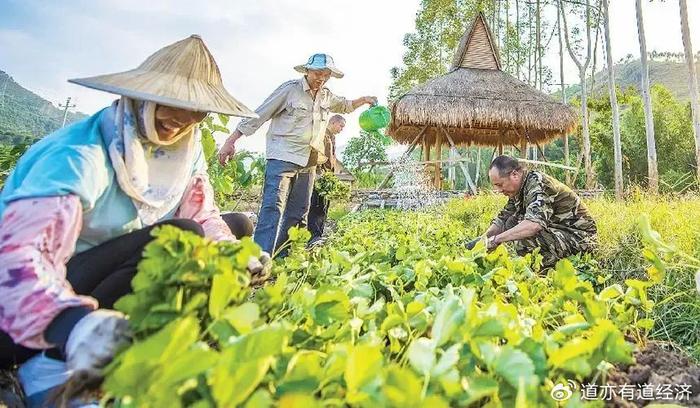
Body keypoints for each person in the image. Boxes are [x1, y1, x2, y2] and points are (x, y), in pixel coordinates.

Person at [0, 35, 268, 406]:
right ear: (142, 97)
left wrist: (234, 255)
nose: (183, 119)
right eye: (171, 104)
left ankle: (124, 339)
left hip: (90, 274)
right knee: (179, 236)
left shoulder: (181, 147)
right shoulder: (78, 157)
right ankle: (47, 368)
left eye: (196, 111)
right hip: (21, 309)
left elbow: (201, 210)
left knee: (233, 227)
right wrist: (72, 325)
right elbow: (15, 256)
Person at [217, 53, 376, 255]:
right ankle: (260, 258)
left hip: (309, 160)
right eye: (318, 73)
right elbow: (260, 114)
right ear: (307, 71)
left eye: (326, 75)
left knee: (299, 212)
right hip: (282, 157)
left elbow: (344, 105)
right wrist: (232, 140)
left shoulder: (326, 95)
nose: (322, 78)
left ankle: (281, 256)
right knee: (272, 209)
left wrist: (364, 100)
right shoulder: (290, 90)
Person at [480, 155, 597, 268]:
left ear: (514, 174)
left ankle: (544, 271)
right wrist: (482, 241)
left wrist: (496, 240)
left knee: (523, 236)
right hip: (559, 232)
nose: (499, 190)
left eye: (500, 185)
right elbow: (503, 219)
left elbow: (534, 226)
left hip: (580, 238)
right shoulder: (517, 190)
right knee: (511, 223)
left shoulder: (537, 184)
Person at [307, 115, 345, 246]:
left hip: (328, 175)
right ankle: (313, 237)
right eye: (341, 126)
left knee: (324, 207)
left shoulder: (332, 137)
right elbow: (317, 155)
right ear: (333, 122)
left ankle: (318, 235)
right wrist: (319, 172)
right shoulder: (322, 135)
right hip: (320, 175)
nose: (341, 129)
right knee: (316, 206)